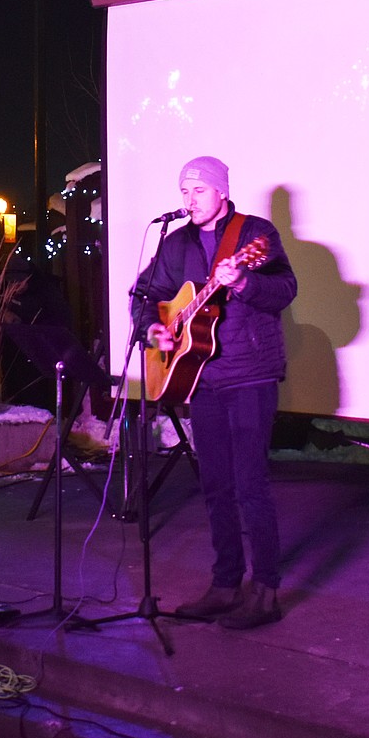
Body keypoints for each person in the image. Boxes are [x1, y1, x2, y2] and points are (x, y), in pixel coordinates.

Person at [135, 156, 297, 629]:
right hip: (200, 377)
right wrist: (155, 331)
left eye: (198, 192)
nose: (188, 201)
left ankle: (265, 591)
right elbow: (145, 295)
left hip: (250, 374)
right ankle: (225, 584)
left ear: (221, 192)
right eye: (184, 192)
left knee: (251, 486)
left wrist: (244, 280)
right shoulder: (177, 242)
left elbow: (285, 288)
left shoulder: (253, 235)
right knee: (215, 488)